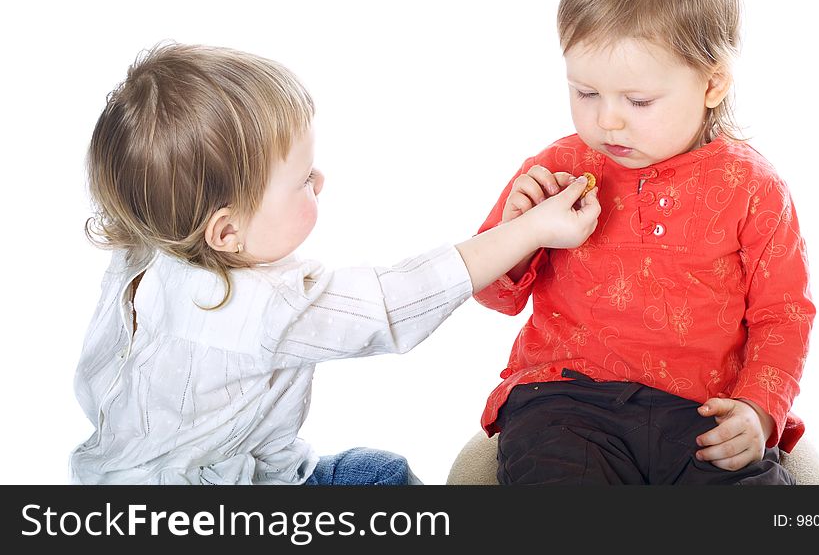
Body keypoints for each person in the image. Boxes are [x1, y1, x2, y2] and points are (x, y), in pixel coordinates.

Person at [70, 43, 600, 485]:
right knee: (382, 480)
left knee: (372, 472)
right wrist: (529, 230)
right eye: (302, 180)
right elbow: (395, 302)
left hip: (127, 476)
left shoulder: (148, 249)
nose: (319, 181)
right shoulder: (259, 306)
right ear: (226, 230)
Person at [474, 0, 815, 484]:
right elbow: (493, 292)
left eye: (638, 100)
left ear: (712, 83)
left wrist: (759, 406)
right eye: (586, 93)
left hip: (701, 410)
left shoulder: (753, 186)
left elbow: (784, 314)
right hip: (566, 400)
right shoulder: (559, 167)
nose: (607, 119)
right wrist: (520, 232)